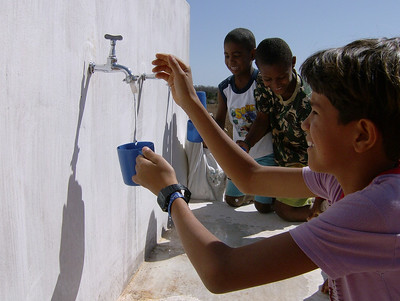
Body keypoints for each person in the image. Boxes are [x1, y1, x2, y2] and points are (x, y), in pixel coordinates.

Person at [134, 37, 400, 300]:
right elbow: (251, 177)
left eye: (316, 113)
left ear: (362, 135)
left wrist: (171, 193)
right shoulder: (341, 179)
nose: (305, 124)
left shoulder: (378, 210)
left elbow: (222, 271)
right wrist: (190, 102)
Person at [244, 37, 317, 222]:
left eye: (282, 77)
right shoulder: (262, 83)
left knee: (284, 210)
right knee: (263, 205)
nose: (275, 85)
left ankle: (325, 213)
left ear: (293, 63)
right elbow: (262, 118)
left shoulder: (307, 101)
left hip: (304, 163)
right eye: (268, 79)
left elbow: (320, 148)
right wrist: (245, 145)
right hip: (278, 156)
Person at [215, 28, 275, 212]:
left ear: (252, 54)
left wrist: (247, 144)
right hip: (239, 155)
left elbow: (264, 120)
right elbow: (219, 121)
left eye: (236, 55)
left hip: (264, 154)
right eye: (226, 55)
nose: (230, 61)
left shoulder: (262, 82)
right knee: (232, 202)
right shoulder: (225, 88)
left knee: (263, 209)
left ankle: (269, 195)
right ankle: (250, 192)